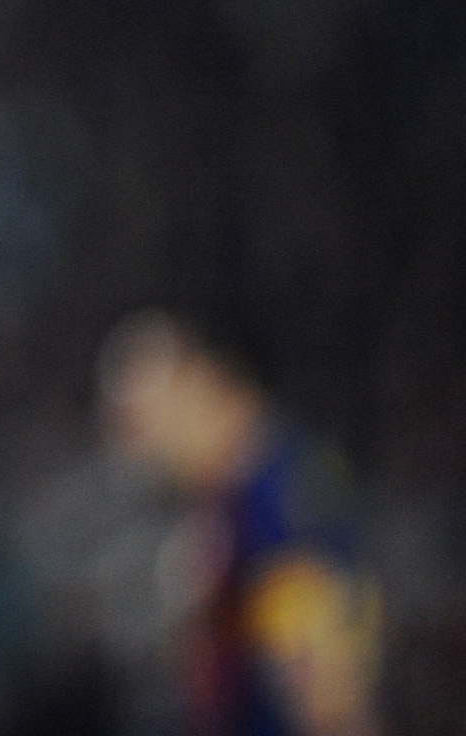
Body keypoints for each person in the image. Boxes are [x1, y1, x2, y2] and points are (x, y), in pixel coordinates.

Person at [98, 311, 382, 736]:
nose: (136, 449)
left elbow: (329, 701)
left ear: (202, 385)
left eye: (143, 421)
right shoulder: (226, 497)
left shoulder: (274, 504)